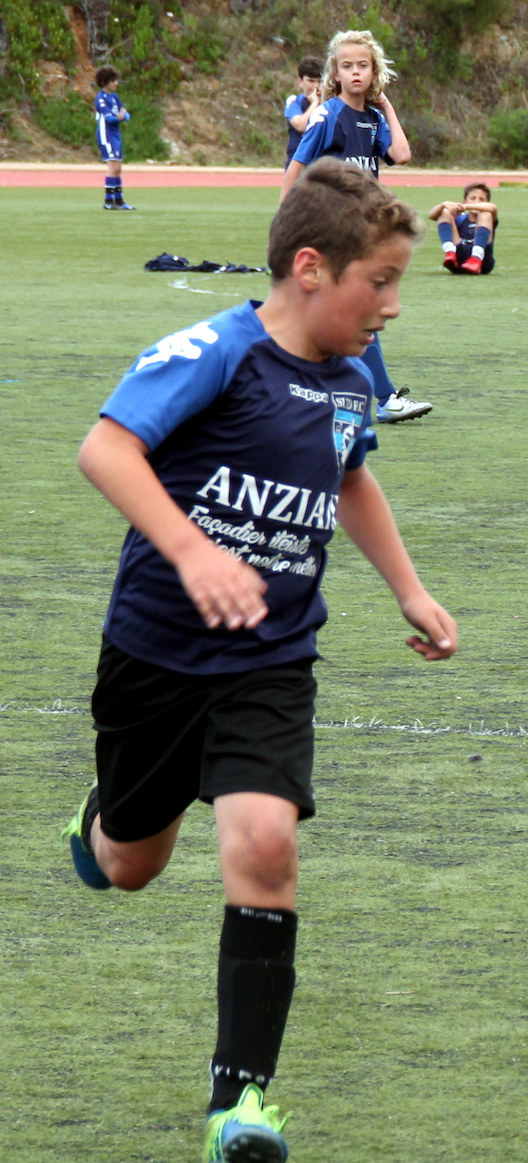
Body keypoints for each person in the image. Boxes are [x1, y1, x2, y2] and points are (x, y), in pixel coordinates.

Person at [59, 159, 458, 1163]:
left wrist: (408, 587)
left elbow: (349, 475)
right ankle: (104, 815)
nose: (394, 306)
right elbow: (106, 450)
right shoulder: (215, 351)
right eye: (382, 281)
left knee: (265, 844)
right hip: (156, 651)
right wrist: (195, 551)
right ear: (312, 268)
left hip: (272, 656)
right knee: (132, 863)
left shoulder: (353, 372)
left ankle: (240, 1104)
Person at [282, 30, 431, 424]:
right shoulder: (328, 114)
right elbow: (296, 167)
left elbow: (401, 154)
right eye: (347, 66)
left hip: (364, 228)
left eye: (362, 65)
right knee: (359, 307)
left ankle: (327, 393)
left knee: (346, 310)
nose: (355, 73)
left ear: (374, 70)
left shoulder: (374, 118)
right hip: (332, 225)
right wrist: (285, 215)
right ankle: (382, 398)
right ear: (336, 72)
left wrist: (388, 107)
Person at [427, 181, 499, 274]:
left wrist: (466, 206)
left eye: (481, 199)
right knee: (445, 212)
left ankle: (476, 257)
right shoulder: (461, 218)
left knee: (486, 215)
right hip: (459, 259)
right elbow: (432, 216)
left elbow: (493, 208)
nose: (477, 202)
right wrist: (443, 204)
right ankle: (449, 252)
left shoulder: (489, 217)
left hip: (483, 262)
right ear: (464, 201)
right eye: (473, 198)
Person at [94, 66, 133, 210]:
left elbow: (126, 114)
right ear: (105, 82)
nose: (116, 83)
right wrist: (120, 116)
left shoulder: (114, 97)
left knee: (118, 168)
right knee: (112, 167)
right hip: (107, 135)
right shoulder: (101, 99)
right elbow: (109, 119)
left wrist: (122, 116)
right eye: (113, 81)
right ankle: (108, 201)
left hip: (116, 135)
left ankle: (119, 201)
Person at [283, 56, 324, 168]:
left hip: (321, 165)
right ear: (300, 82)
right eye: (311, 81)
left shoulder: (330, 105)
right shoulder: (295, 102)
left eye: (320, 82)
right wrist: (315, 103)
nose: (316, 86)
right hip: (298, 165)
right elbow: (301, 125)